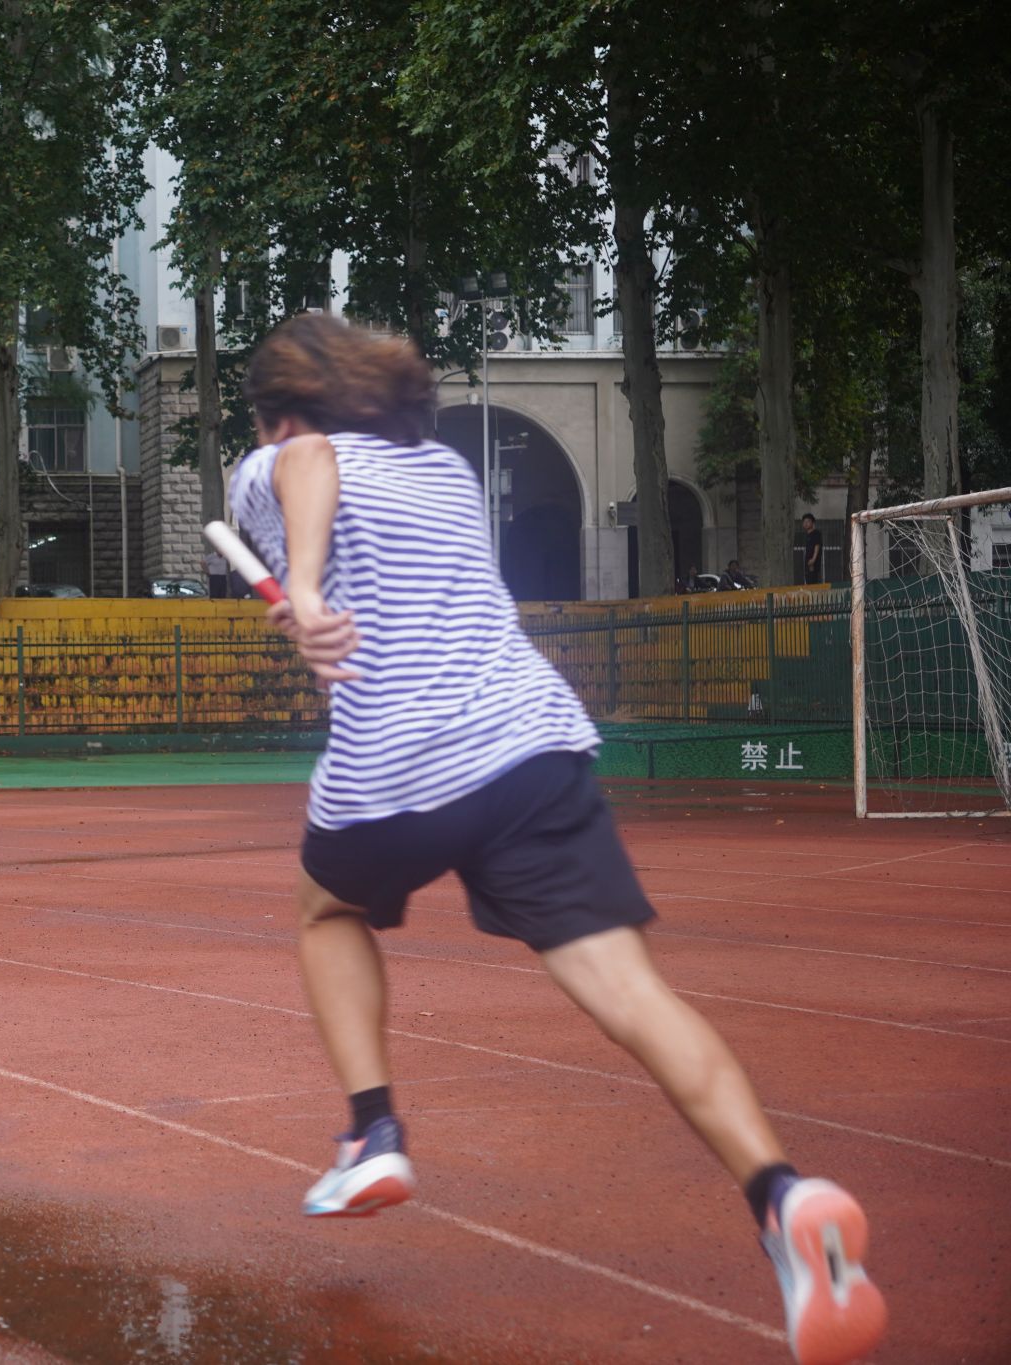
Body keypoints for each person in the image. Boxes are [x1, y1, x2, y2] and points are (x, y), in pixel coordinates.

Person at [228, 312, 883, 1365]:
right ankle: (781, 1194)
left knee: (325, 909)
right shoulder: (443, 469)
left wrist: (301, 588)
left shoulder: (274, 460)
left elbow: (309, 464)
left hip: (398, 763)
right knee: (632, 993)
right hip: (529, 743)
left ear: (280, 413)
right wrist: (316, 587)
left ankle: (371, 1130)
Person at [800, 514, 824, 585]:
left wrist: (813, 559)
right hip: (808, 564)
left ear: (813, 523)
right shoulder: (807, 535)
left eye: (808, 521)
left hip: (813, 564)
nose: (806, 523)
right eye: (804, 522)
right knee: (808, 582)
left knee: (813, 583)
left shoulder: (816, 533)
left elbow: (817, 546)